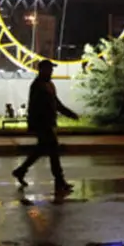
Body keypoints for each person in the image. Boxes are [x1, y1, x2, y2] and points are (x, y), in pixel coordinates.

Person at [12, 60, 79, 192]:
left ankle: (21, 170)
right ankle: (59, 181)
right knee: (53, 152)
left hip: (47, 124)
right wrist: (37, 124)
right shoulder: (38, 85)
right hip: (43, 125)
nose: (52, 71)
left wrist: (70, 114)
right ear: (42, 70)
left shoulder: (49, 85)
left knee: (41, 150)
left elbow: (57, 104)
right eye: (50, 69)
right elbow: (36, 107)